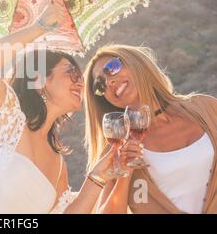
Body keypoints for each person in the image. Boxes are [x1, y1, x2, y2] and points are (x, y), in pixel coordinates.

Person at [0, 4, 129, 213]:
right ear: (38, 80)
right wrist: (40, 27)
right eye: (72, 73)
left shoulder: (58, 165)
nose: (80, 83)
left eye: (81, 78)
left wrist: (98, 176)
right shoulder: (4, 114)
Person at [84, 44, 217, 214]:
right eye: (100, 85)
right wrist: (126, 172)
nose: (109, 82)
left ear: (136, 63)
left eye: (112, 67)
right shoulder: (117, 150)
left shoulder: (206, 107)